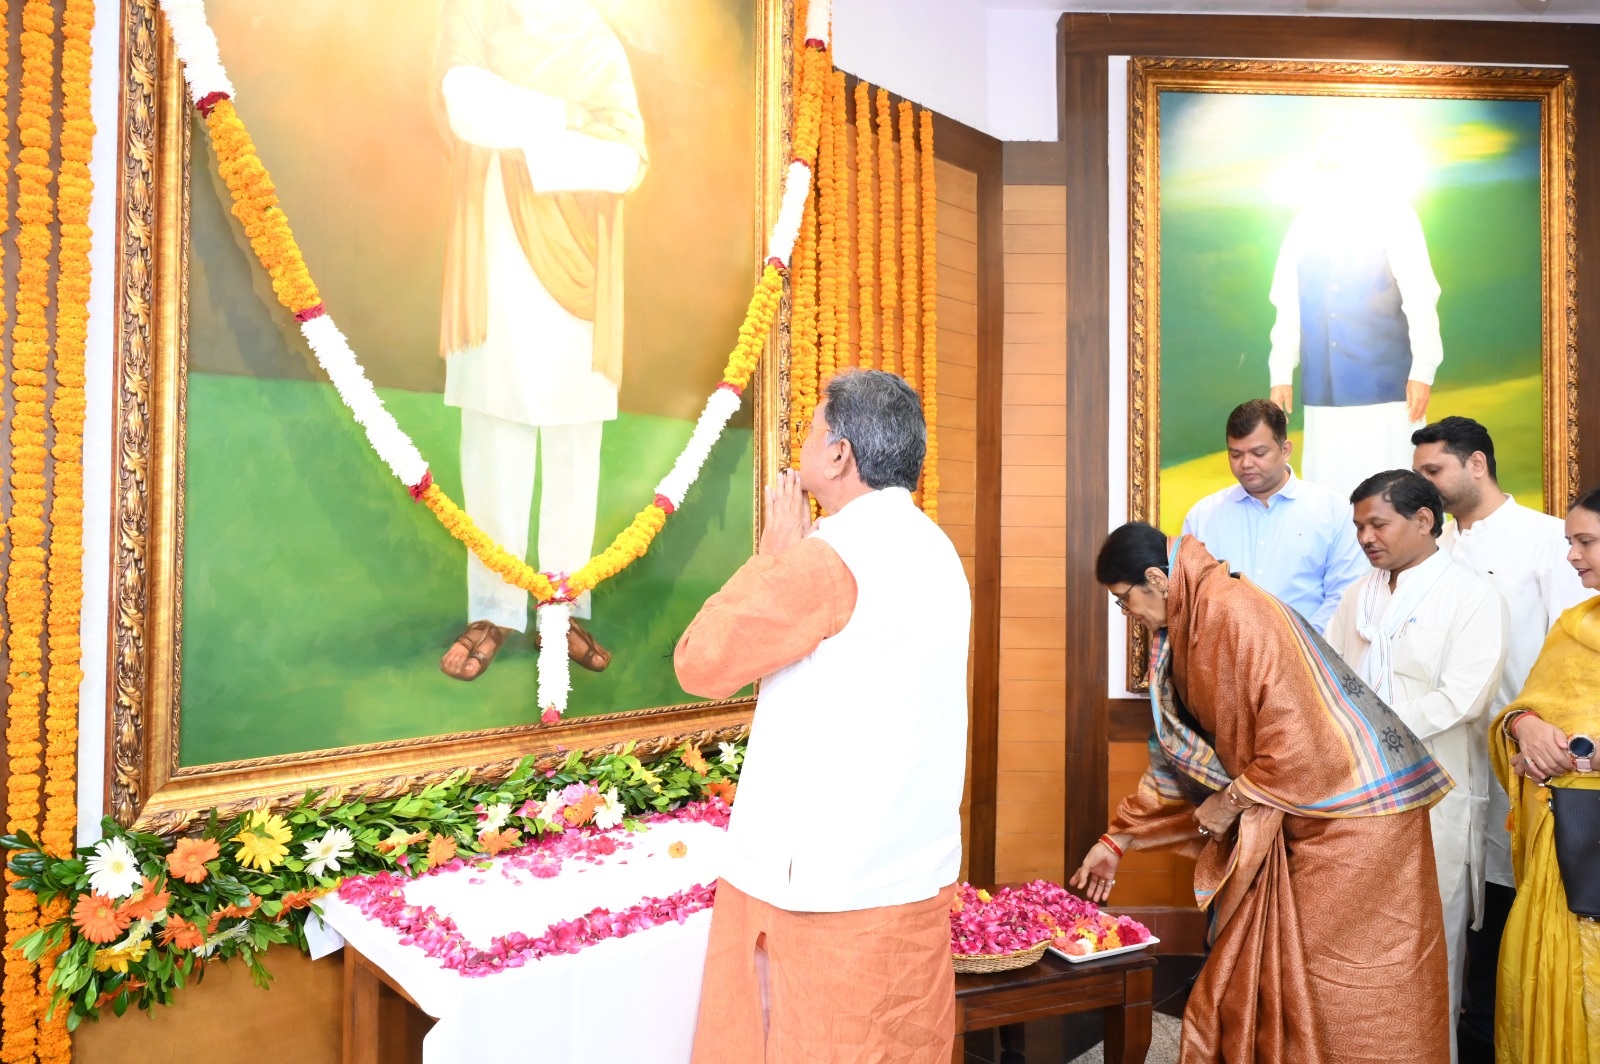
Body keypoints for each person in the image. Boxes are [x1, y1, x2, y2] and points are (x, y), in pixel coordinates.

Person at [1074, 521, 1453, 1063]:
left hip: (1354, 819)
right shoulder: (1186, 625)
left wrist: (1229, 803)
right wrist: (1118, 840)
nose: (1125, 613)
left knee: (1348, 988)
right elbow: (1179, 754)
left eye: (1123, 599)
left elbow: (1298, 745)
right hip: (1297, 808)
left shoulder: (1233, 611)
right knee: (1285, 976)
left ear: (1156, 578)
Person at [675, 370, 970, 1063]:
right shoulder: (938, 549)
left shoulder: (829, 560)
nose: (801, 443)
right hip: (909, 872)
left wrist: (770, 559)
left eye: (810, 429)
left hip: (817, 897)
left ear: (839, 455)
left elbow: (701, 664)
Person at [435, 0, 648, 680]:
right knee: (494, 436)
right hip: (495, 260)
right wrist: (564, 116)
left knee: (573, 445)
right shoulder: (477, 15)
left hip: (576, 267)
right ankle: (494, 610)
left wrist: (527, 134)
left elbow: (626, 162)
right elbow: (464, 105)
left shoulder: (597, 42)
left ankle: (563, 607)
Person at [1410, 416, 1592, 1063]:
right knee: (1456, 897)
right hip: (1452, 754)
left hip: (1537, 758)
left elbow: (1573, 651)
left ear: (1477, 464)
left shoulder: (1545, 540)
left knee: (1515, 895)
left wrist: (1533, 728)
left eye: (1434, 470)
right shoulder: (1434, 551)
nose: (1424, 484)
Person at [1324, 470, 1507, 1064]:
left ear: (1424, 521)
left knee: (1431, 954)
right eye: (1358, 527)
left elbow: (1463, 699)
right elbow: (1331, 681)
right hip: (1356, 797)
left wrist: (1369, 727)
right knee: (1355, 948)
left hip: (1434, 797)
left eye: (1378, 524)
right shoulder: (1358, 595)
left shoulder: (1471, 595)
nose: (1365, 538)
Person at [1266, 123, 1444, 503]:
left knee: (1394, 492)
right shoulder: (1304, 223)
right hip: (1323, 389)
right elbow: (1287, 301)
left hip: (1385, 384)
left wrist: (1423, 369)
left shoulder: (1395, 214)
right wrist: (1281, 372)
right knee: (1327, 494)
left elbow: (1421, 295)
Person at [1488, 484, 1600, 1064]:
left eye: (1586, 542)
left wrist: (1586, 757)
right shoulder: (1573, 625)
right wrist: (1525, 727)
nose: (1572, 556)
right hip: (1562, 841)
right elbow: (1527, 705)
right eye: (1570, 542)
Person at [1180, 398, 1368, 632]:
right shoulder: (1203, 516)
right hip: (1223, 651)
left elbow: (1344, 595)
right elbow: (1189, 597)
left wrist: (1297, 644)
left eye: (1258, 453)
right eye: (1235, 454)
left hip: (1308, 650)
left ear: (1285, 450)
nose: (1246, 463)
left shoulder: (1333, 511)